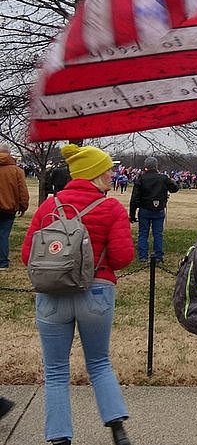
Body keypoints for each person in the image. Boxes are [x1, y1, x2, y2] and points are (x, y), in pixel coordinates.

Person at [21, 144, 135, 445]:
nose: (113, 173)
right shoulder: (110, 208)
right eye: (108, 169)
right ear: (94, 174)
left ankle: (59, 437)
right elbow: (123, 258)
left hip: (52, 293)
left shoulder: (48, 207)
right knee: (99, 362)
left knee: (56, 370)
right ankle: (116, 426)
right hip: (97, 291)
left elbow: (26, 254)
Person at [128, 156, 179, 263]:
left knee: (143, 233)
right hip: (159, 209)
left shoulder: (141, 179)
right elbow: (175, 188)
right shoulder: (163, 178)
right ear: (156, 166)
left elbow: (135, 198)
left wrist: (132, 215)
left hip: (144, 209)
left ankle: (143, 256)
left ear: (145, 166)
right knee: (158, 234)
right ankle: (158, 256)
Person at [0, 144, 30, 271]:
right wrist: (23, 206)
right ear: (9, 153)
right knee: (3, 235)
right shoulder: (17, 171)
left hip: (7, 207)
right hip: (8, 208)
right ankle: (2, 263)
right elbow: (22, 191)